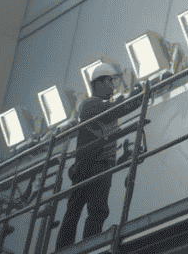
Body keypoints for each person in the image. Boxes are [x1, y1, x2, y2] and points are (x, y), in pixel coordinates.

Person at [56, 62, 129, 249]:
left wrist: (122, 158)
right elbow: (114, 110)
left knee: (92, 210)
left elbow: (108, 143)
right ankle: (75, 248)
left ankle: (85, 246)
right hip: (91, 165)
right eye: (110, 81)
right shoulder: (90, 105)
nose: (113, 86)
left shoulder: (104, 109)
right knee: (82, 210)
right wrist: (138, 97)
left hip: (99, 166)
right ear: (99, 83)